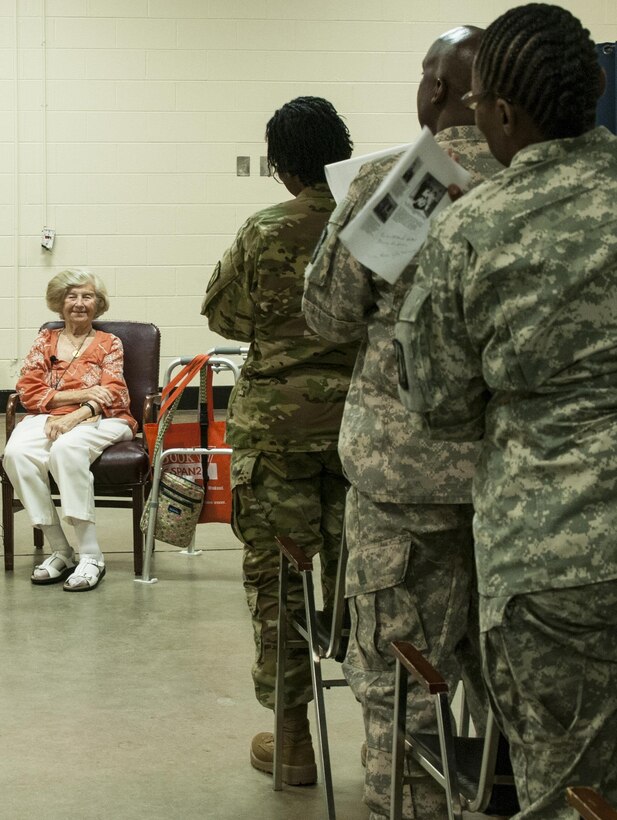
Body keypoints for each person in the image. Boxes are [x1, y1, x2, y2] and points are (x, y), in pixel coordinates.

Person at [396, 5, 617, 818]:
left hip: (555, 555)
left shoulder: (471, 227)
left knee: (568, 791)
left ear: (500, 112)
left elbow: (443, 406)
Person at [303, 27, 502, 820]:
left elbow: (325, 313)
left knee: (398, 679)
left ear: (433, 90)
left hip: (404, 477)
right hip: (522, 483)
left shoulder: (399, 182)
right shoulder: (543, 183)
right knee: (512, 681)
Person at [201, 96, 357, 786]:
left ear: (280, 165)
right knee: (370, 584)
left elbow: (226, 314)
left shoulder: (266, 228)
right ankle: (393, 743)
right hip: (363, 427)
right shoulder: (375, 218)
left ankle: (293, 747)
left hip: (277, 428)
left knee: (280, 583)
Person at [3, 268, 137, 591]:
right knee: (15, 453)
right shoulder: (45, 340)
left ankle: (92, 555)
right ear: (59, 303)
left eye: (87, 296)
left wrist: (75, 415)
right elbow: (28, 390)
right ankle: (61, 550)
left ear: (98, 303)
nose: (79, 303)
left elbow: (112, 393)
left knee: (66, 448)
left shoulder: (109, 343)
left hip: (106, 419)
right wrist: (81, 394)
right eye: (71, 296)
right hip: (50, 416)